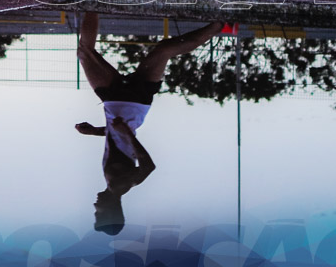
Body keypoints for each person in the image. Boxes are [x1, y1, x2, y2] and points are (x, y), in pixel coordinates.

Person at [74, 12, 225, 234]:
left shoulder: (116, 184)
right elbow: (148, 166)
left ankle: (218, 25)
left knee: (163, 51)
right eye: (98, 213)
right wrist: (127, 132)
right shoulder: (120, 184)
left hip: (136, 105)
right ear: (111, 210)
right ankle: (91, 3)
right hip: (119, 102)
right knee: (85, 53)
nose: (95, 207)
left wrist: (96, 131)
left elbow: (117, 139)